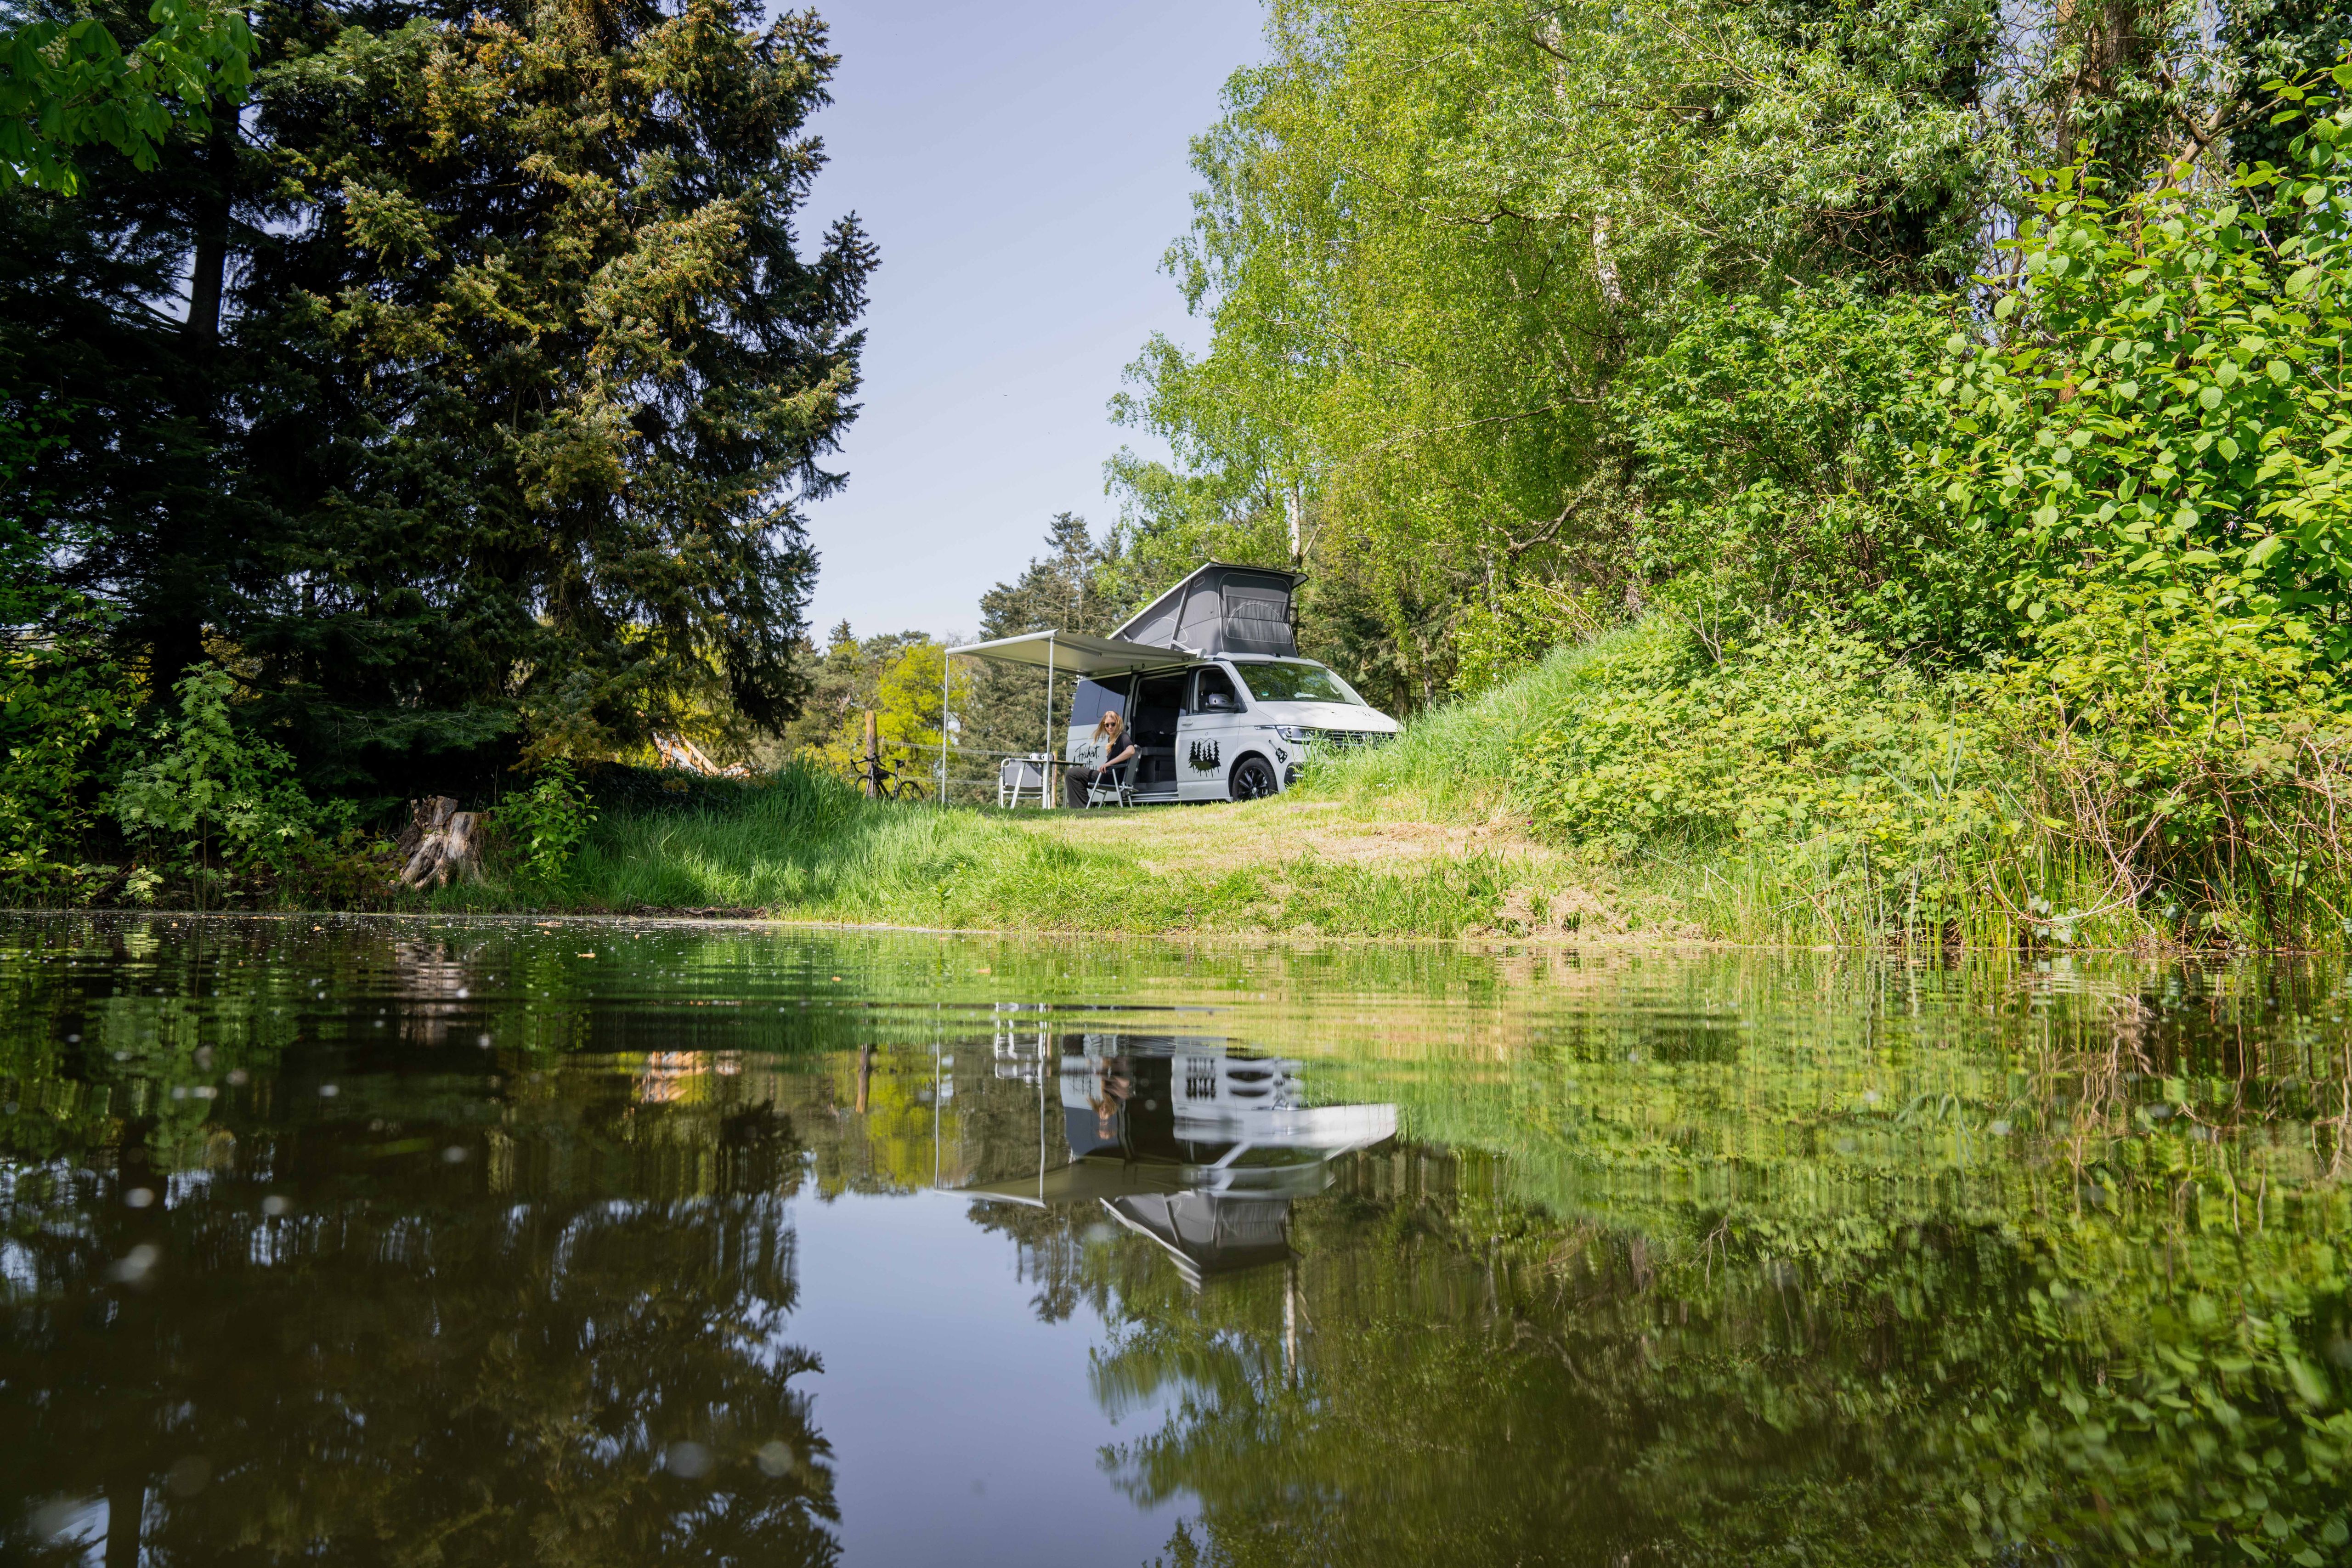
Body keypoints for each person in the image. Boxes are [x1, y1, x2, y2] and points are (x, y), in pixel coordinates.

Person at [1081, 710, 1137, 799]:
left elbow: (1131, 751)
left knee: (1073, 773)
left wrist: (1109, 763)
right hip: (1110, 777)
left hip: (1112, 778)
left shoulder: (1123, 736)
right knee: (1075, 776)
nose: (1110, 727)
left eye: (1113, 724)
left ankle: (1082, 806)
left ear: (1118, 723)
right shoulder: (1111, 740)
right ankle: (1082, 806)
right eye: (1107, 725)